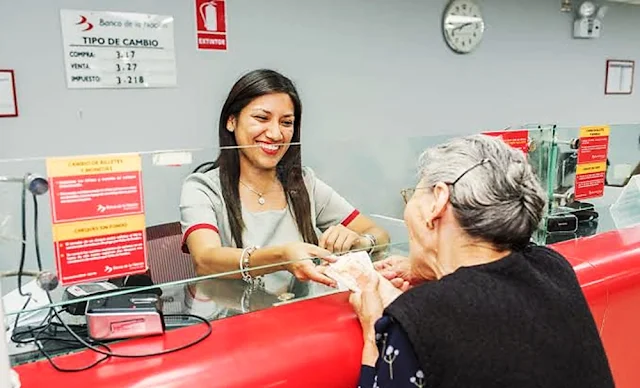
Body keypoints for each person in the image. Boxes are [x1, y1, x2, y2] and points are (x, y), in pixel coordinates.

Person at [349, 135, 615, 387]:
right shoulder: (552, 267)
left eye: (412, 195)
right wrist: (431, 268)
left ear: (438, 201)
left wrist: (374, 328)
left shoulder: (418, 317)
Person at [180, 69, 389, 294]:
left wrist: (360, 242)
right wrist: (281, 257)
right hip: (238, 319)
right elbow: (205, 259)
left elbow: (379, 234)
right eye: (262, 118)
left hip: (304, 314)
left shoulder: (304, 184)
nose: (275, 134)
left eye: (286, 122)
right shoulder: (202, 188)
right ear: (231, 121)